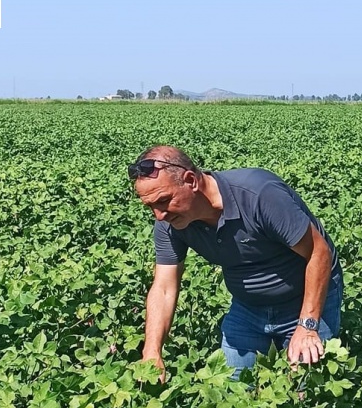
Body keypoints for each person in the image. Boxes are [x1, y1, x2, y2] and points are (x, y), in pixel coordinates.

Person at [129, 145, 344, 382]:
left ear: (191, 181)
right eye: (150, 207)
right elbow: (164, 287)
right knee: (232, 388)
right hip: (248, 308)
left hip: (306, 300)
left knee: (304, 390)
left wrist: (307, 325)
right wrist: (151, 351)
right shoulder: (170, 223)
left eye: (164, 201)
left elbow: (319, 253)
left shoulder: (259, 195)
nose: (159, 215)